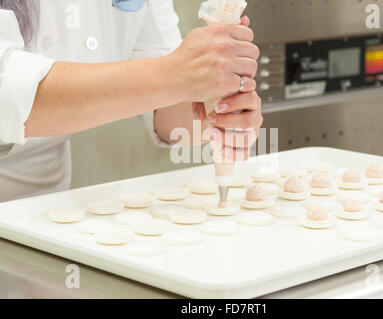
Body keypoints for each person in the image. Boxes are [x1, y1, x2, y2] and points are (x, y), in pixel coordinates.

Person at [0, 0, 262, 202]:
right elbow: (8, 91)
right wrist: (176, 76)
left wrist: (215, 109)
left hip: (40, 202)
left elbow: (165, 103)